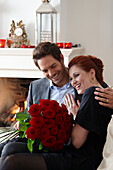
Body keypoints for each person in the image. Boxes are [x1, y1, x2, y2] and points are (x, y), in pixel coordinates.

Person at [0, 55, 113, 170]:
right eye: (71, 79)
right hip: (79, 155)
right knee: (9, 153)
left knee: (11, 162)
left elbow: (76, 142)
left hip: (80, 159)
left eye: (76, 76)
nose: (73, 82)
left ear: (92, 73)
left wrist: (75, 116)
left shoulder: (91, 93)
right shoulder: (104, 95)